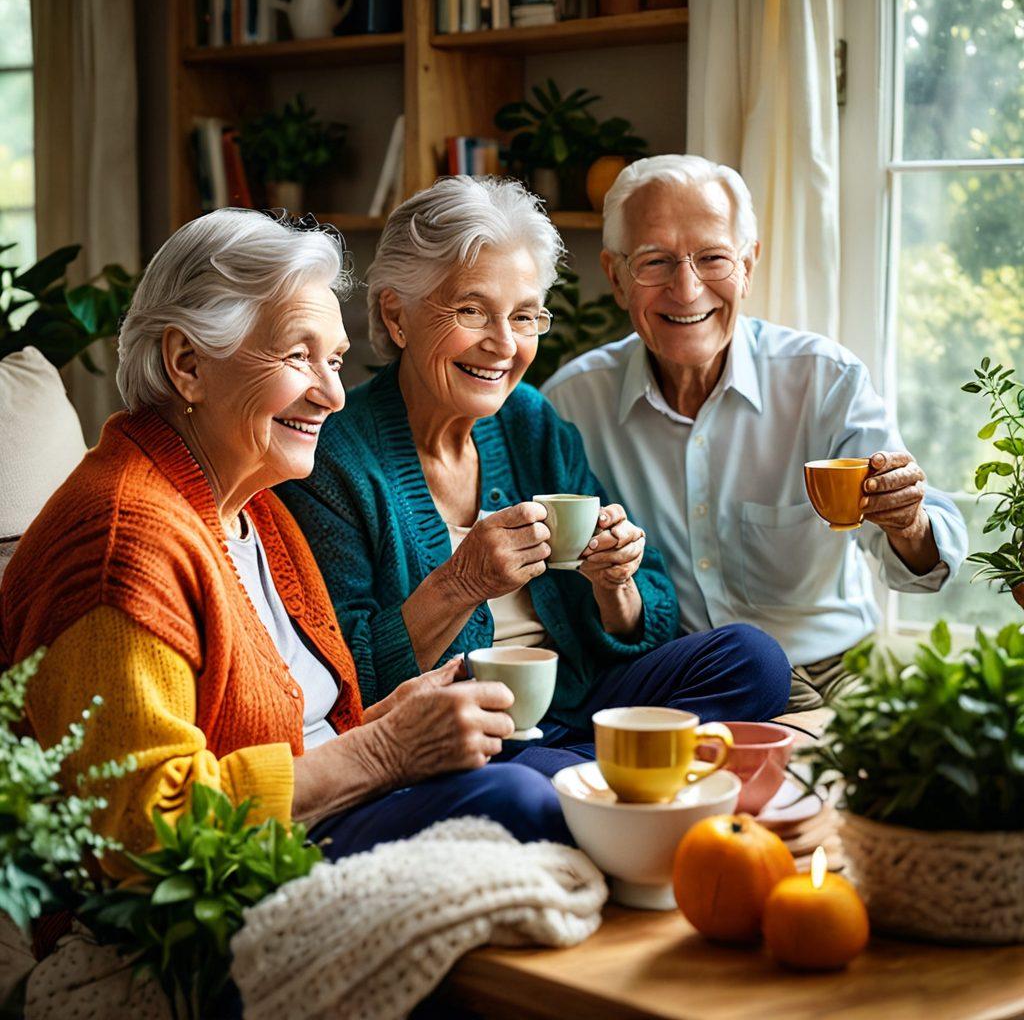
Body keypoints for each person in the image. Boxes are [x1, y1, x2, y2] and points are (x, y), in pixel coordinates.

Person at [0, 209, 572, 876]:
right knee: (524, 802)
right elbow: (141, 828)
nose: (332, 395)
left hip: (318, 824)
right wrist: (386, 749)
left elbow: (302, 728)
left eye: (334, 360)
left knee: (563, 784)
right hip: (228, 885)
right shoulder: (123, 546)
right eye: (298, 356)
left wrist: (394, 716)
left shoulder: (251, 507)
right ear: (187, 364)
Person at [279, 176, 790, 774]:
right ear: (397, 317)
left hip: (578, 703)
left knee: (754, 661)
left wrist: (615, 583)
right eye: (472, 310)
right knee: (526, 787)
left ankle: (579, 772)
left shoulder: (528, 419)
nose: (502, 345)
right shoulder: (335, 457)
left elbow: (651, 611)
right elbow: (343, 681)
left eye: (524, 316)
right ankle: (602, 774)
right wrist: (460, 584)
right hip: (462, 733)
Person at [542, 155, 968, 711]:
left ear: (748, 265)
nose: (687, 288)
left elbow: (921, 568)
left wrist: (907, 522)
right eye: (655, 262)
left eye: (713, 257)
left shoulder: (824, 380)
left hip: (837, 673)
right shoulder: (570, 405)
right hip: (690, 684)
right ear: (618, 278)